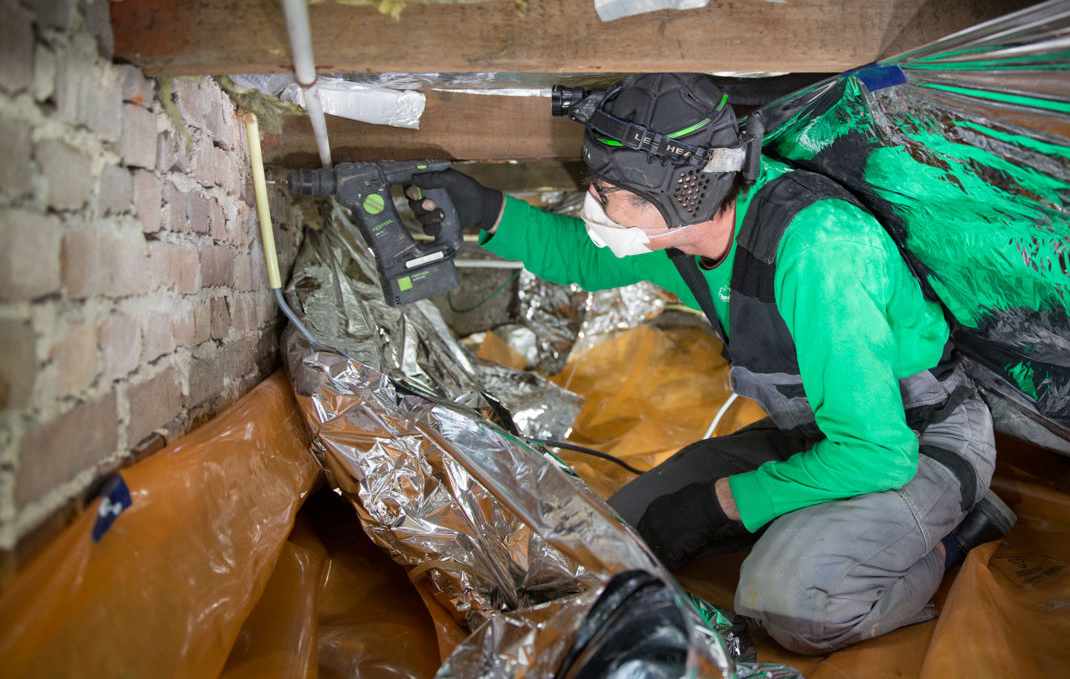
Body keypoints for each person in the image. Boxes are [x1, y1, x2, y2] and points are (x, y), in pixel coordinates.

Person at [412, 72, 1014, 654]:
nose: (594, 204)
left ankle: (953, 538)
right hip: (816, 437)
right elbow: (585, 257)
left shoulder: (819, 251)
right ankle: (826, 526)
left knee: (793, 603)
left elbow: (875, 452)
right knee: (614, 540)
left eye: (610, 193)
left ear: (681, 193)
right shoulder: (689, 231)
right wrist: (483, 210)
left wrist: (719, 503)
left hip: (914, 441)